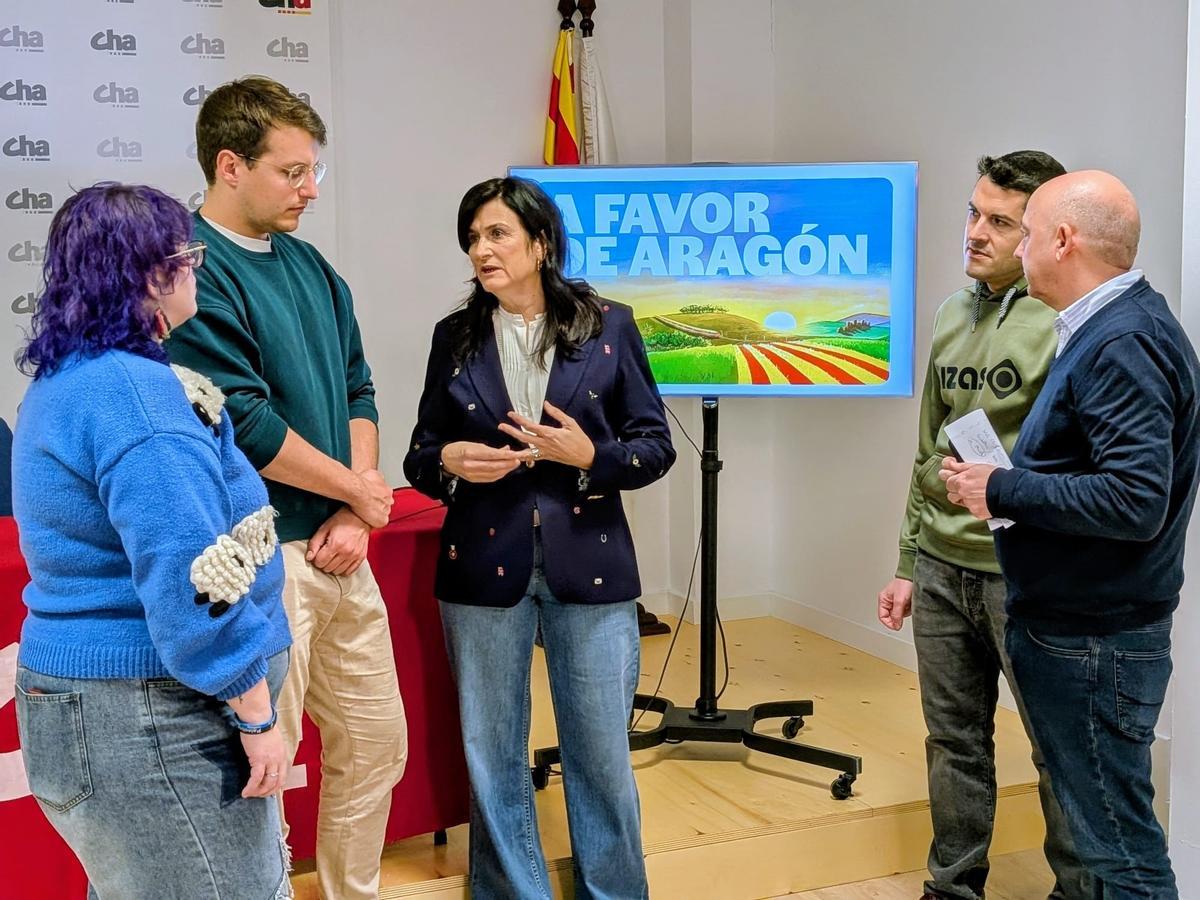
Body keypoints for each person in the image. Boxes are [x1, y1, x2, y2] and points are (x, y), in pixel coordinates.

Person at [12, 182, 292, 898]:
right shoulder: (138, 398)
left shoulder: (71, 379)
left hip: (96, 711)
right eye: (188, 256)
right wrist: (255, 711)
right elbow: (193, 579)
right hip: (150, 716)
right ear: (151, 274)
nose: (196, 268)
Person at [166, 76, 405, 899]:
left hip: (344, 544)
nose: (309, 189)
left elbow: (358, 390)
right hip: (270, 561)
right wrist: (360, 494)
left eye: (315, 172)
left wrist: (355, 503)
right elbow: (246, 424)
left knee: (377, 746)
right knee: (267, 762)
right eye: (292, 172)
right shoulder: (194, 273)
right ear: (230, 166)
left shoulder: (312, 267)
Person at [404, 176, 675, 900]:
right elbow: (421, 455)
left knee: (601, 755)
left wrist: (590, 457)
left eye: (496, 234)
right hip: (480, 568)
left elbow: (654, 446)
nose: (480, 249)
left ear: (541, 243)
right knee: (491, 757)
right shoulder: (455, 337)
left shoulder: (608, 326)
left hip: (589, 567)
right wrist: (451, 464)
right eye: (472, 237)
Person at [942, 170, 1200, 899]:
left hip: (1095, 642)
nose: (1015, 251)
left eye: (1024, 235)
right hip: (1089, 632)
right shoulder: (1117, 328)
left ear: (1061, 239)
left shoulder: (1123, 341)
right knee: (1103, 838)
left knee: (1117, 854)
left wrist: (999, 486)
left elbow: (1133, 499)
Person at [877, 151, 1091, 900]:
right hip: (940, 568)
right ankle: (954, 886)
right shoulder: (947, 312)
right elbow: (928, 445)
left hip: (1024, 575)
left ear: (1040, 231)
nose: (975, 233)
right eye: (973, 213)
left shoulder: (1066, 324)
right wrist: (908, 561)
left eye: (1000, 222)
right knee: (954, 740)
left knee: (1057, 749)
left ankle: (1078, 890)